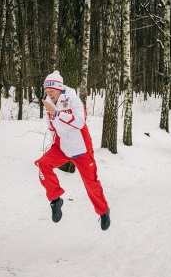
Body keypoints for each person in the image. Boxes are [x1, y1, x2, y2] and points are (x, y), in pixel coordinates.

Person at [34, 70, 111, 231]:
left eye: (52, 91)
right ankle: (55, 200)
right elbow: (52, 128)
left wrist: (56, 113)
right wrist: (53, 128)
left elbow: (79, 123)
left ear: (59, 88)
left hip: (81, 148)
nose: (49, 94)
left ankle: (103, 211)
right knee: (43, 164)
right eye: (47, 92)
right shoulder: (49, 103)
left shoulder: (73, 100)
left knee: (91, 183)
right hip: (61, 147)